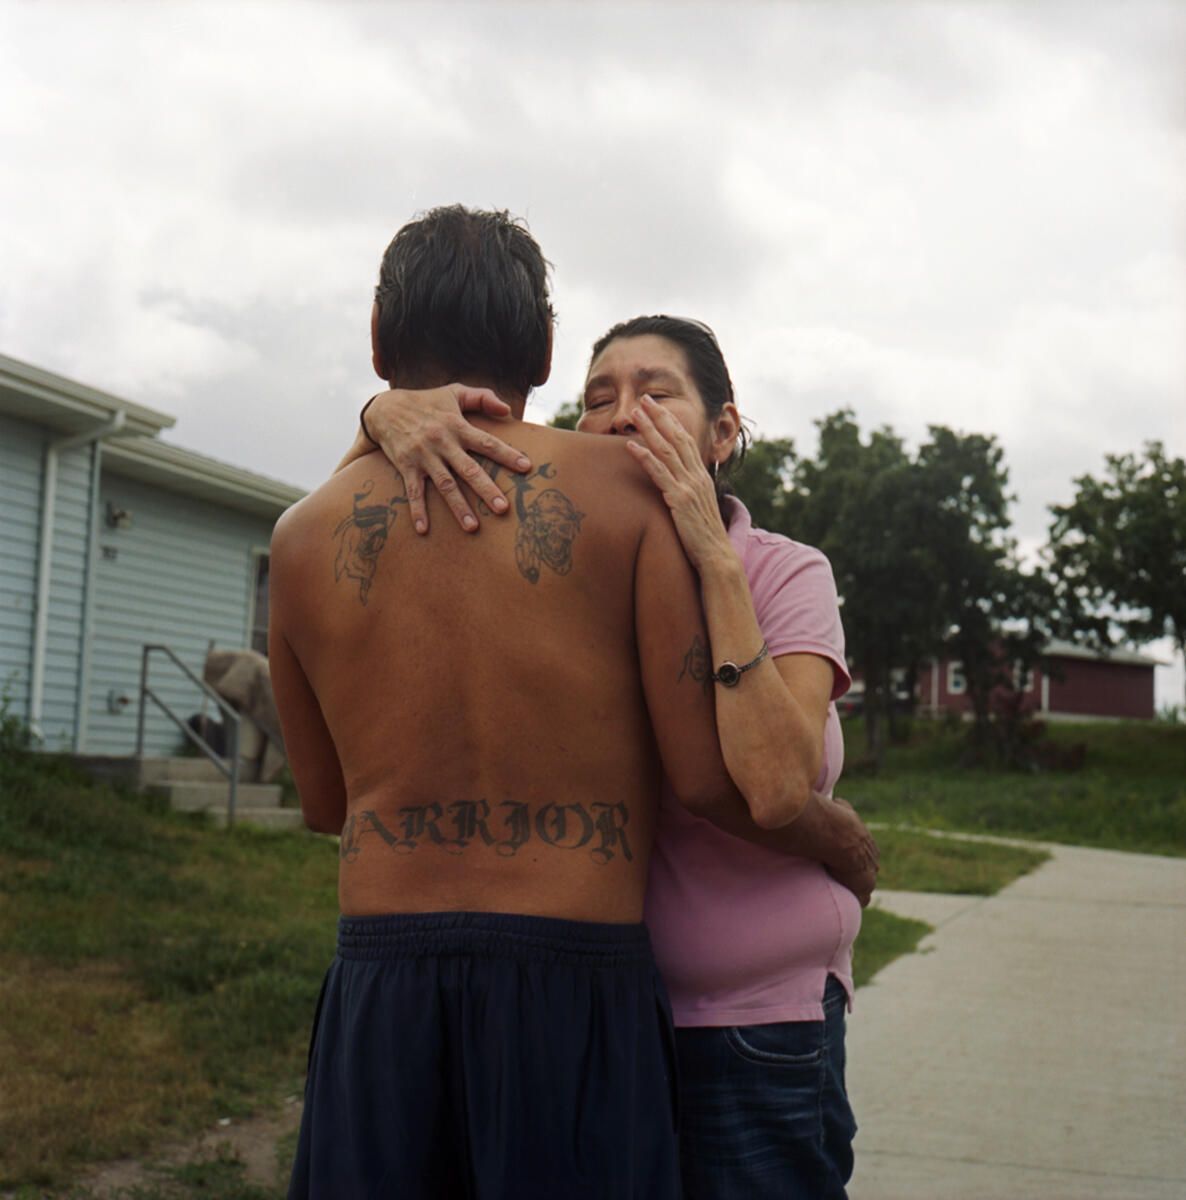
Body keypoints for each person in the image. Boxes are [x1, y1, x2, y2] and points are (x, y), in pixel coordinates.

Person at [271, 207, 807, 1199]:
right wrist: (836, 841)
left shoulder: (300, 538)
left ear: (380, 341)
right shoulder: (628, 493)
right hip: (577, 980)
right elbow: (700, 775)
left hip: (383, 982)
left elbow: (322, 805)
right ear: (549, 350)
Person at [347, 316, 878, 1199]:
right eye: (598, 399)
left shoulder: (783, 573)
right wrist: (379, 414)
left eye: (656, 392)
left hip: (754, 1024)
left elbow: (777, 785)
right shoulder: (563, 561)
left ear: (722, 432)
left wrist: (713, 558)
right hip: (597, 1020)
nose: (624, 414)